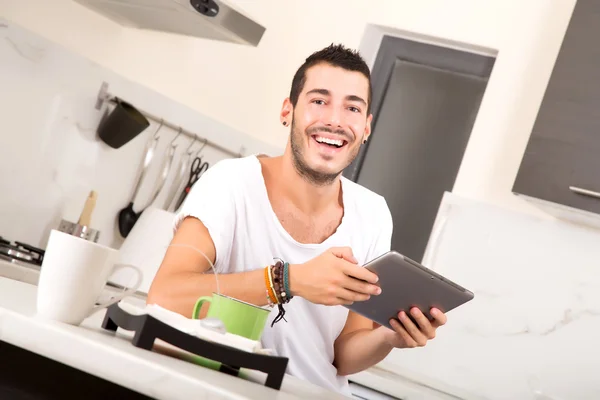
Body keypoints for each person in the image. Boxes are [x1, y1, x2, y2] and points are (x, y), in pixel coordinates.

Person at [146, 43, 447, 396]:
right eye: (319, 101)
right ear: (287, 111)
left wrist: (389, 336)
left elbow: (341, 355)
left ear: (366, 128)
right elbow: (164, 297)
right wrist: (288, 280)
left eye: (352, 107)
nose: (335, 120)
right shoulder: (230, 183)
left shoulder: (373, 212)